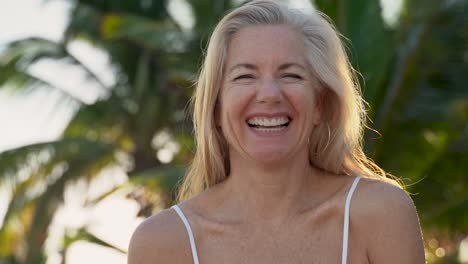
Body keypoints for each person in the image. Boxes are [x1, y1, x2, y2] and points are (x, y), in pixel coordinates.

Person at [128, 1, 425, 263]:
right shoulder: (161, 243)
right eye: (245, 76)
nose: (269, 94)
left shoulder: (379, 214)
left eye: (291, 74)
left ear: (319, 104)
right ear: (216, 108)